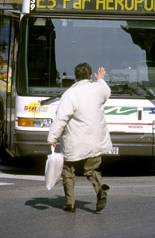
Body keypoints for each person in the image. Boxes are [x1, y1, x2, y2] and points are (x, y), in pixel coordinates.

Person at [47, 62, 112, 212]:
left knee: (68, 171)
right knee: (91, 170)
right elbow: (106, 91)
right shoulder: (98, 89)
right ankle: (100, 188)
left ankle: (70, 203)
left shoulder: (70, 94)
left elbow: (61, 118)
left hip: (75, 141)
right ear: (90, 76)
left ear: (75, 77)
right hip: (96, 140)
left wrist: (53, 137)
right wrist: (101, 79)